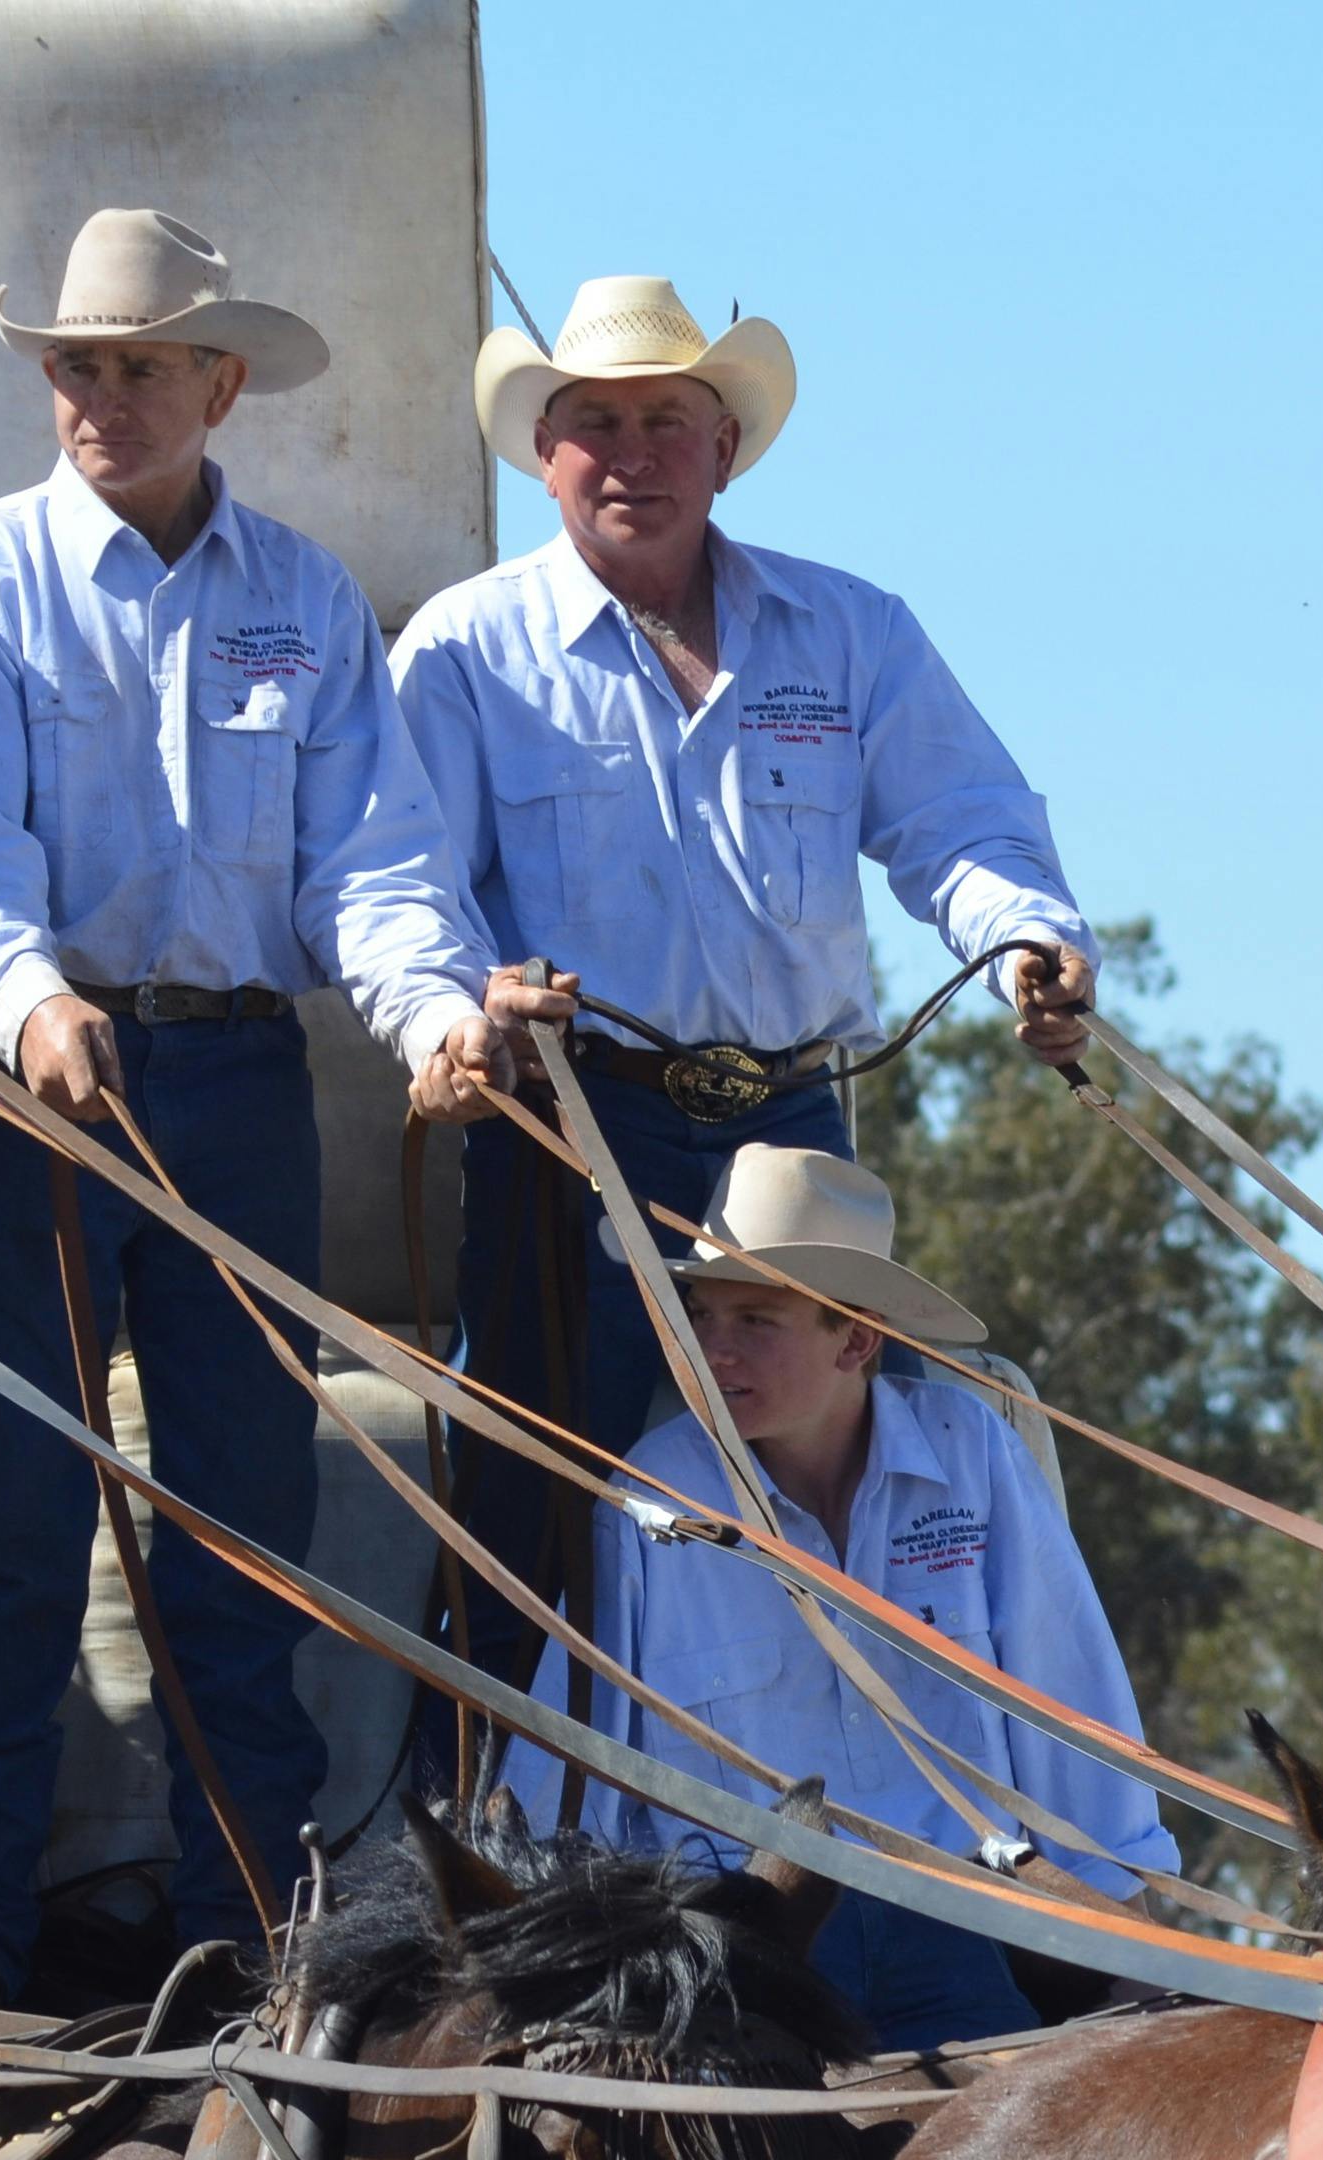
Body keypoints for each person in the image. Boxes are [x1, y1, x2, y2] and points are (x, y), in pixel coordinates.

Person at [0, 212, 505, 2003]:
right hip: (27, 1091)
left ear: (217, 383)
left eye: (136, 364)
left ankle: (242, 1914)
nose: (97, 396)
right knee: (8, 1505)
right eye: (74, 364)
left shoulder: (304, 601)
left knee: (243, 1507)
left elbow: (368, 870)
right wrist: (24, 998)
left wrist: (429, 1016)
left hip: (234, 1077)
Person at [396, 275, 1102, 1740]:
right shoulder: (465, 652)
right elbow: (400, 885)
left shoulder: (848, 632)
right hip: (573, 1133)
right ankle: (512, 1860)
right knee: (549, 1490)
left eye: (667, 421)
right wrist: (461, 1008)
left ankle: (878, 1823)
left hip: (792, 1130)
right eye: (595, 422)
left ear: (727, 449)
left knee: (844, 1483)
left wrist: (1023, 935)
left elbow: (965, 820)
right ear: (545, 451)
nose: (631, 453)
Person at [514, 1147, 1172, 2048]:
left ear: (856, 1340)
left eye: (756, 1319)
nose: (715, 1351)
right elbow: (570, 1775)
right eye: (702, 1315)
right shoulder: (648, 1503)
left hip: (952, 1920)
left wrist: (1134, 1938)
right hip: (734, 1949)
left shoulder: (969, 1454)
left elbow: (1066, 1694)